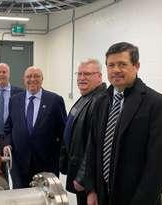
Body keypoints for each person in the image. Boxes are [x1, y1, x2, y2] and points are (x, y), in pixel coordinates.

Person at [87, 42, 162, 205]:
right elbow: (93, 148)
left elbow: (159, 166)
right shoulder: (101, 102)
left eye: (122, 64)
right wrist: (92, 189)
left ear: (136, 66)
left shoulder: (157, 104)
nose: (115, 70)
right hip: (102, 195)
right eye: (111, 65)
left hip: (136, 198)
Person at [3, 66, 67, 188]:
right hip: (20, 163)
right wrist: (7, 143)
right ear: (24, 79)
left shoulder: (54, 100)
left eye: (36, 76)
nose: (32, 79)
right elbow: (8, 127)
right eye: (29, 76)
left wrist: (60, 158)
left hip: (46, 164)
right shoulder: (15, 100)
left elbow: (63, 132)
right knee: (21, 197)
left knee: (45, 197)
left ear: (42, 79)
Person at [60, 59, 107, 205]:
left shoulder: (100, 101)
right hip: (77, 167)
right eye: (79, 74)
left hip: (87, 176)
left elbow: (94, 146)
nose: (81, 78)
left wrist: (83, 178)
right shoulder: (86, 97)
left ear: (99, 76)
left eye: (87, 74)